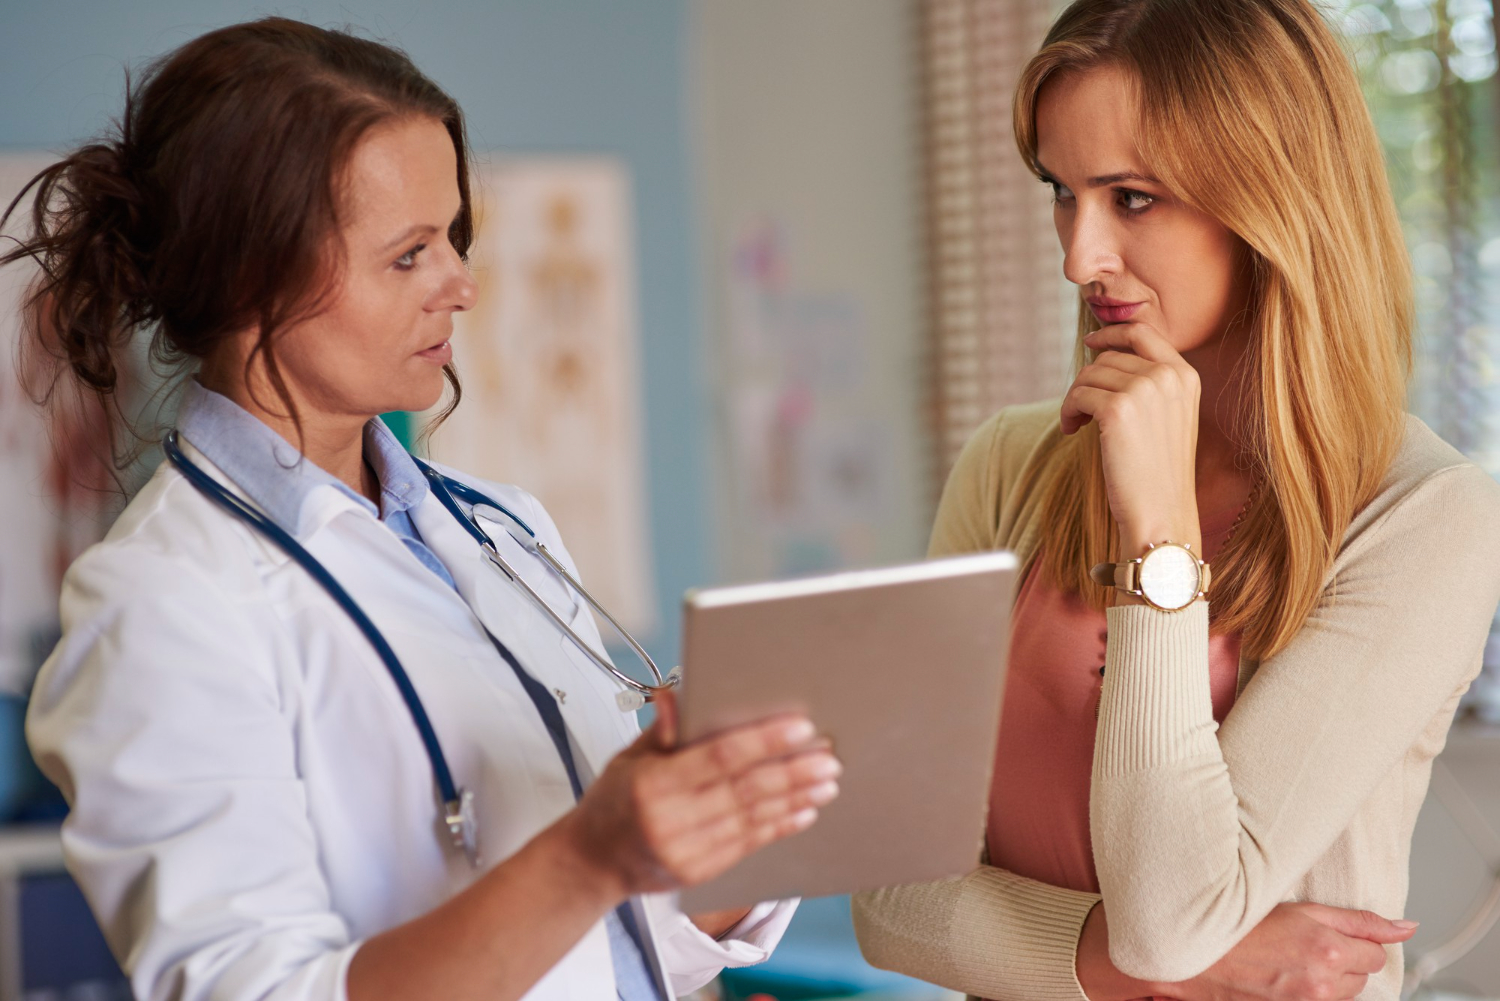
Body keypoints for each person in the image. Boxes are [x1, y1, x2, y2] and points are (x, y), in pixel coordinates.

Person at [13, 19, 842, 1001]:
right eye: (408, 255)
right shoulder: (159, 600)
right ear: (248, 274)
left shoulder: (505, 528)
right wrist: (592, 855)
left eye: (452, 235)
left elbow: (619, 943)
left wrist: (710, 834)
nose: (461, 283)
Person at [851, 1, 1500, 999]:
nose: (1080, 256)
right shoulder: (1012, 463)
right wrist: (1159, 958)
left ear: (1275, 199)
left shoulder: (1429, 517)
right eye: (1062, 193)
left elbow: (1170, 919)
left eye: (1133, 198)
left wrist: (1158, 535)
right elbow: (888, 895)